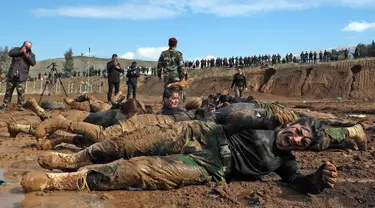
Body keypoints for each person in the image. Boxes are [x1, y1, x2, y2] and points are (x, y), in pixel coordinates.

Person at [21, 117, 338, 195]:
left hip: (208, 165)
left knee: (140, 171)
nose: (293, 137)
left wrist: (317, 180)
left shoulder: (285, 161)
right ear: (290, 123)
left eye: (302, 140)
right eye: (296, 129)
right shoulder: (263, 120)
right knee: (129, 142)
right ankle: (76, 159)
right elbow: (230, 114)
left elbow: (297, 182)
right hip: (200, 133)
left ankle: (62, 181)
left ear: (302, 147)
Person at [0, 41, 36, 112]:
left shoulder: (31, 54)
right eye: (27, 47)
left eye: (29, 47)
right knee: (8, 92)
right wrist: (21, 51)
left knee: (21, 92)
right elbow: (10, 53)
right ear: (23, 45)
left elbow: (33, 63)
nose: (28, 48)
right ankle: (5, 106)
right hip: (12, 75)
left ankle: (21, 106)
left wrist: (26, 55)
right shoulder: (16, 50)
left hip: (22, 76)